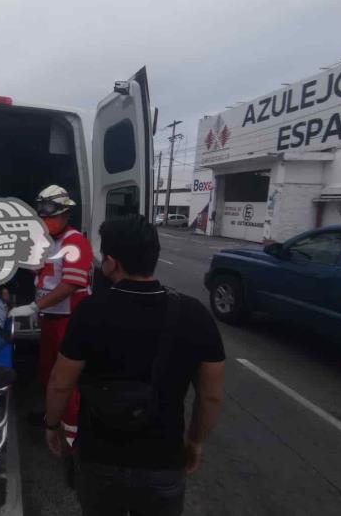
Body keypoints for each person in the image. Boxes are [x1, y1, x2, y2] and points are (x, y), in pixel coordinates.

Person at [45, 215, 226, 516]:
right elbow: (211, 395)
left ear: (112, 263)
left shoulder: (90, 311)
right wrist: (195, 441)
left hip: (99, 458)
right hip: (163, 460)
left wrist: (52, 425)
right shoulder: (194, 315)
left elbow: (60, 382)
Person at [9, 184, 93, 448]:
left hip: (70, 322)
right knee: (47, 373)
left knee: (66, 381)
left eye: (51, 217)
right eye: (42, 217)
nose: (45, 221)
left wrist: (34, 307)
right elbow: (41, 275)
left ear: (65, 215)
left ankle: (72, 438)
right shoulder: (48, 242)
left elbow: (70, 284)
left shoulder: (74, 242)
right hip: (50, 319)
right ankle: (52, 418)